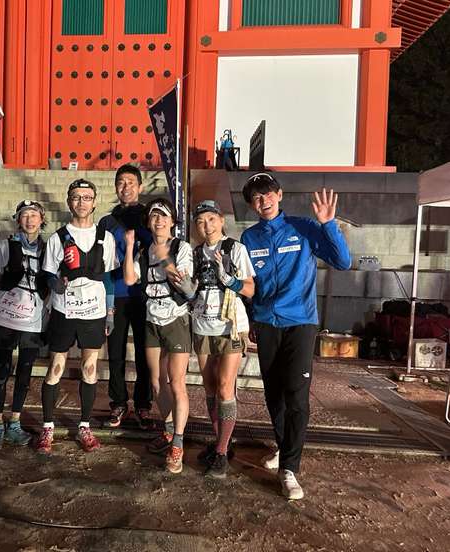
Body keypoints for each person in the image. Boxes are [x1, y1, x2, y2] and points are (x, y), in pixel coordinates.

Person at [240, 173, 351, 500]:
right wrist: (251, 319)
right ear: (251, 205)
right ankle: (284, 446)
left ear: (280, 194)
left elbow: (343, 262)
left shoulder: (303, 227)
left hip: (301, 322)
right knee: (274, 395)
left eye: (267, 194)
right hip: (266, 323)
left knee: (297, 394)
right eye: (256, 198)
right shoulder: (249, 238)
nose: (263, 201)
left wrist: (329, 225)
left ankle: (289, 469)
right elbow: (250, 285)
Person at [35, 179, 118, 455]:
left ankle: (84, 425)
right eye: (76, 197)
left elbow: (108, 278)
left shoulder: (106, 237)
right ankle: (47, 426)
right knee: (56, 367)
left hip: (93, 311)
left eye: (87, 197)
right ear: (69, 201)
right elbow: (48, 273)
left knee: (90, 368)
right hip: (64, 310)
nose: (82, 202)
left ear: (95, 202)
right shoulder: (57, 237)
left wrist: (110, 312)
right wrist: (54, 284)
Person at [122, 198, 197, 474]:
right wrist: (130, 247)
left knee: (177, 382)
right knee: (156, 381)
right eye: (154, 216)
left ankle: (178, 442)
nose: (159, 221)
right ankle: (168, 429)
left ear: (172, 221)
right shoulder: (144, 251)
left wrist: (165, 255)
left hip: (176, 318)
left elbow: (181, 280)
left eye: (164, 216)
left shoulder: (181, 247)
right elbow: (130, 279)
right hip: (151, 319)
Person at [191, 200, 255, 479]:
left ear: (221, 220)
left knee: (226, 386)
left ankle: (220, 453)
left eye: (211, 219)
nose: (206, 226)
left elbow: (250, 289)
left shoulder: (235, 249)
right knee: (209, 386)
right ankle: (222, 443)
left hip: (230, 325)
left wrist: (230, 280)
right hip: (202, 324)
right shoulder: (194, 253)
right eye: (200, 221)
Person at [0, 199, 49, 449]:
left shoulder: (48, 248)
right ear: (18, 219)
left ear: (42, 220)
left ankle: (15, 422)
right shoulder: (5, 245)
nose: (30, 220)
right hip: (7, 315)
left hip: (33, 318)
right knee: (2, 371)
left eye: (34, 215)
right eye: (25, 215)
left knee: (25, 372)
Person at [98, 164, 154, 429]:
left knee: (145, 352)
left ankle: (143, 404)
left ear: (140, 186)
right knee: (116, 351)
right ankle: (118, 402)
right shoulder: (107, 222)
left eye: (131, 182)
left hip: (144, 294)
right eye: (121, 182)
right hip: (117, 293)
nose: (126, 187)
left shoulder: (151, 216)